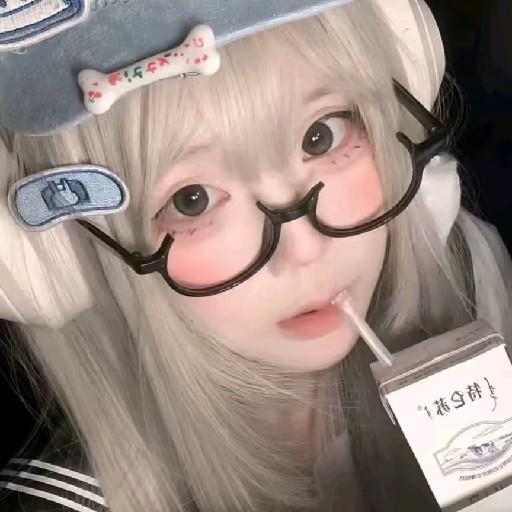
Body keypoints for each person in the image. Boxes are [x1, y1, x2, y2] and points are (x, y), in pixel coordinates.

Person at [0, 0, 511, 511]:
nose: (305, 248)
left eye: (322, 136)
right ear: (56, 260)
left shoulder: (471, 284)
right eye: (191, 200)